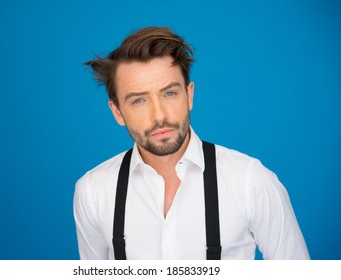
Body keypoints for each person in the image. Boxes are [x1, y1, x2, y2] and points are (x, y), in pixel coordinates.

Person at [73, 26, 310, 260]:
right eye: (138, 100)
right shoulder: (93, 192)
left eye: (169, 93)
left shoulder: (252, 182)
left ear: (189, 95)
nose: (159, 116)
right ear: (117, 112)